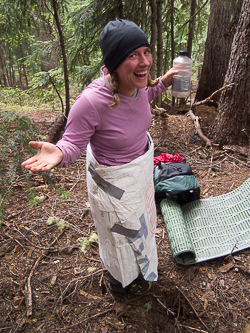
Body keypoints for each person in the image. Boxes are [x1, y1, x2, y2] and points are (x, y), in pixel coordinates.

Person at [22, 19, 178, 295]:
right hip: (113, 185)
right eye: (132, 55)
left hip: (139, 177)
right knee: (119, 234)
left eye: (146, 52)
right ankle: (121, 283)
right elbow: (72, 142)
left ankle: (142, 268)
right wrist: (59, 151)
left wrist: (163, 83)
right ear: (114, 62)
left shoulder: (136, 84)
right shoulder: (92, 101)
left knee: (140, 225)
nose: (144, 62)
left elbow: (145, 95)